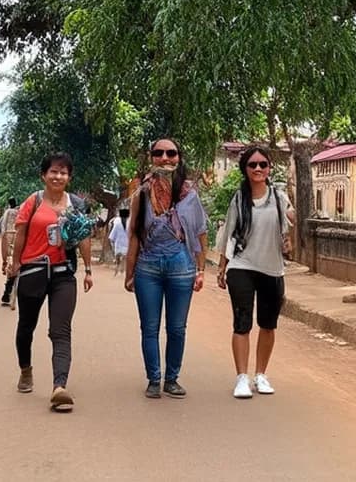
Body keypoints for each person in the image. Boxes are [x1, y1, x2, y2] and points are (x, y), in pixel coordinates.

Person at [7, 152, 95, 412]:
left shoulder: (76, 204)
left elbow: (84, 237)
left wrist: (88, 269)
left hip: (63, 273)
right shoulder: (33, 202)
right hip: (33, 271)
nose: (58, 176)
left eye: (64, 172)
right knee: (27, 326)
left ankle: (59, 386)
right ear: (43, 175)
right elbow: (20, 234)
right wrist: (14, 263)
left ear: (69, 177)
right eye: (53, 172)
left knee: (61, 329)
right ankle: (26, 370)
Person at [124, 138, 208, 399]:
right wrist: (129, 272)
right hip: (147, 267)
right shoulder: (142, 193)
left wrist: (201, 268)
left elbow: (201, 232)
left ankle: (172, 379)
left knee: (176, 328)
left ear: (178, 157)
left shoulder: (190, 194)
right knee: (149, 327)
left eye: (170, 153)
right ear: (151, 158)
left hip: (181, 267)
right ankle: (154, 379)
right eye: (158, 153)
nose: (165, 158)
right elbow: (135, 235)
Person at [217, 146, 294, 398]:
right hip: (242, 266)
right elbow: (229, 233)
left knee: (268, 324)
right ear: (245, 169)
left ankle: (261, 374)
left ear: (269, 168)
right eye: (253, 165)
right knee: (242, 323)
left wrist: (289, 240)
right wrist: (222, 266)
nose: (258, 169)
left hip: (272, 269)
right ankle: (242, 377)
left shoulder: (279, 198)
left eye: (263, 164)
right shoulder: (239, 199)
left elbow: (288, 228)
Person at [0, 197, 20, 306]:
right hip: (18, 238)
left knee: (9, 262)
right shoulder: (21, 212)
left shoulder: (7, 213)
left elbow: (0, 226)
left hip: (8, 237)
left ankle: (8, 290)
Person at [110, 208, 129, 276]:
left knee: (118, 260)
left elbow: (112, 236)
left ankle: (116, 272)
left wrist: (112, 243)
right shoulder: (130, 223)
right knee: (124, 259)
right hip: (127, 245)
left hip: (118, 246)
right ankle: (122, 272)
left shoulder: (117, 222)